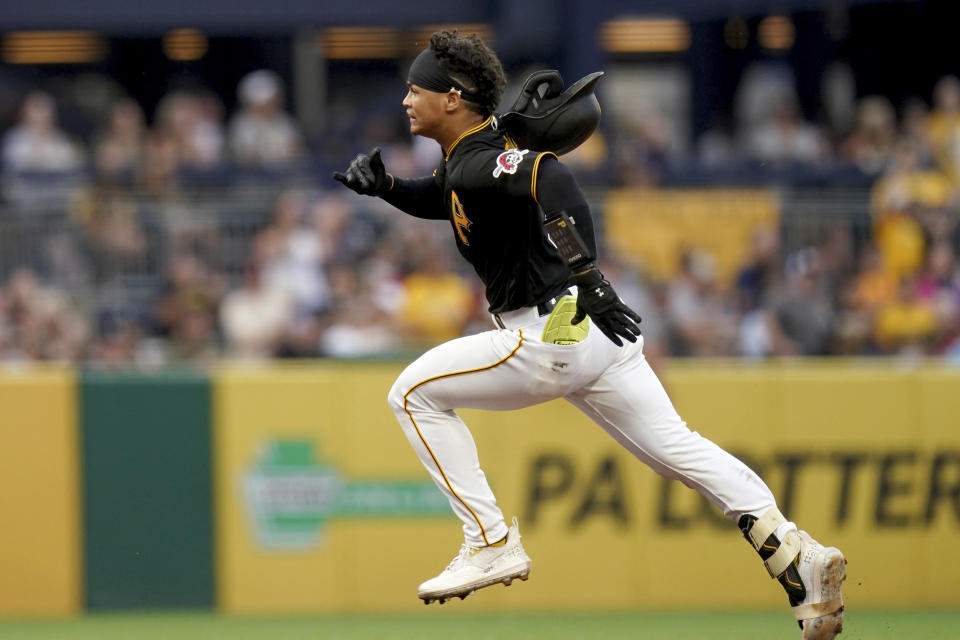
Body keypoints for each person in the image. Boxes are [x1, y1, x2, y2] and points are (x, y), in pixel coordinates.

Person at [333, 30, 846, 639]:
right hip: (590, 329)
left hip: (551, 327)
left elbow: (552, 180)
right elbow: (449, 195)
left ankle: (490, 540)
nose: (406, 101)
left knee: (411, 394)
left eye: (415, 90)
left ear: (453, 98)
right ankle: (797, 557)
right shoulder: (468, 157)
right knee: (680, 450)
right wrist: (389, 188)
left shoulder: (480, 159)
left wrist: (588, 271)